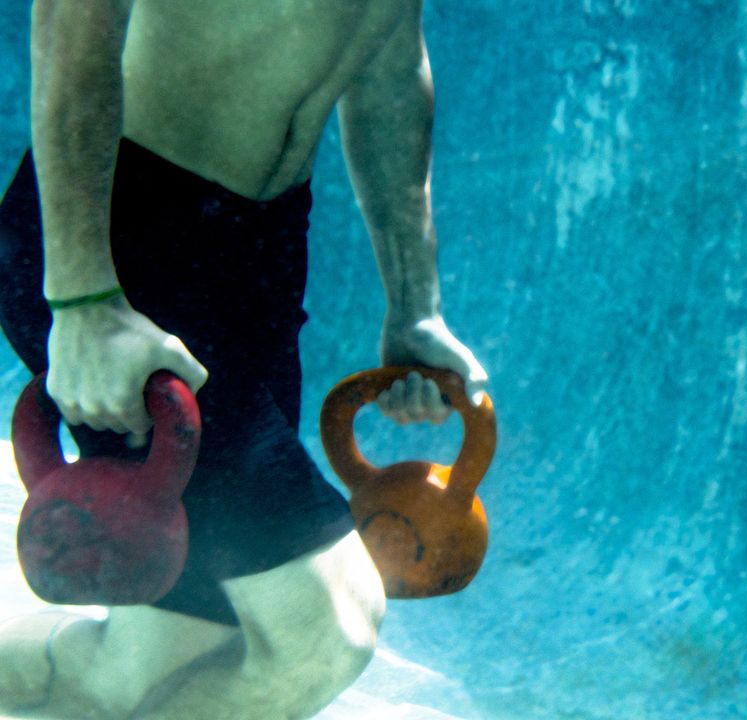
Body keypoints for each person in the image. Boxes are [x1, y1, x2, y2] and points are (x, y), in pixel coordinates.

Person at [0, 0, 488, 717]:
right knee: (324, 633)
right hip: (123, 248)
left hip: (255, 256)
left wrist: (415, 303)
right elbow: (71, 24)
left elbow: (390, 60)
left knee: (150, 663)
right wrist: (80, 300)